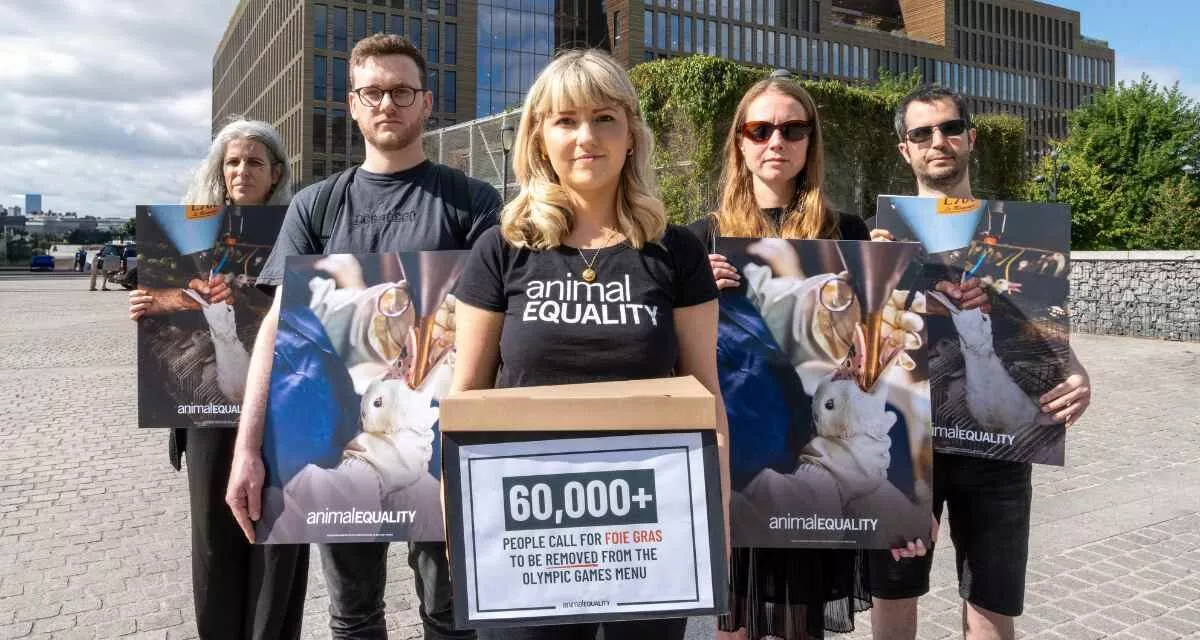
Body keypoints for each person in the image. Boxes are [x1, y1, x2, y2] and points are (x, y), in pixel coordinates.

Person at [224, 34, 500, 640]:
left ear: (427, 102)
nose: (387, 104)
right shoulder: (316, 207)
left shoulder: (473, 201)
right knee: (352, 616)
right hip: (332, 438)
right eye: (372, 92)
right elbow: (277, 327)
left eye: (402, 91)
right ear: (352, 103)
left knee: (452, 613)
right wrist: (248, 448)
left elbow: (491, 323)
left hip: (440, 442)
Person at [449, 49, 729, 640]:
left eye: (605, 118)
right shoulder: (501, 250)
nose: (586, 137)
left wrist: (718, 512)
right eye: (565, 120)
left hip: (650, 528)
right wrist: (458, 518)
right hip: (526, 530)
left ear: (631, 135)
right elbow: (464, 400)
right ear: (539, 138)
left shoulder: (675, 252)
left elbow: (707, 397)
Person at [687, 72, 928, 640]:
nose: (776, 141)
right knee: (733, 621)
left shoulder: (846, 232)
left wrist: (885, 271)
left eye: (793, 129)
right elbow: (674, 353)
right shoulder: (698, 238)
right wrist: (692, 291)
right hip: (738, 451)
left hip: (818, 454)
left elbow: (884, 353)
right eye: (760, 128)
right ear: (740, 142)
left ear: (810, 143)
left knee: (803, 623)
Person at [866, 85, 1093, 640]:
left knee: (991, 599)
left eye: (948, 128)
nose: (936, 142)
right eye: (921, 133)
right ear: (905, 150)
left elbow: (1041, 321)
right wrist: (867, 272)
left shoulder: (1016, 234)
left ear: (971, 137)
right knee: (893, 592)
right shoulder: (875, 237)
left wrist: (1076, 371)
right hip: (903, 440)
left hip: (997, 446)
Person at [127, 117, 309, 640]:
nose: (241, 170)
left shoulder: (298, 229)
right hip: (209, 413)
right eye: (232, 161)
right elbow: (184, 303)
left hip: (281, 408)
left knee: (276, 535)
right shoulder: (192, 233)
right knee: (212, 538)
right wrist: (149, 305)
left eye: (254, 161)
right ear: (219, 170)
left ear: (275, 173)